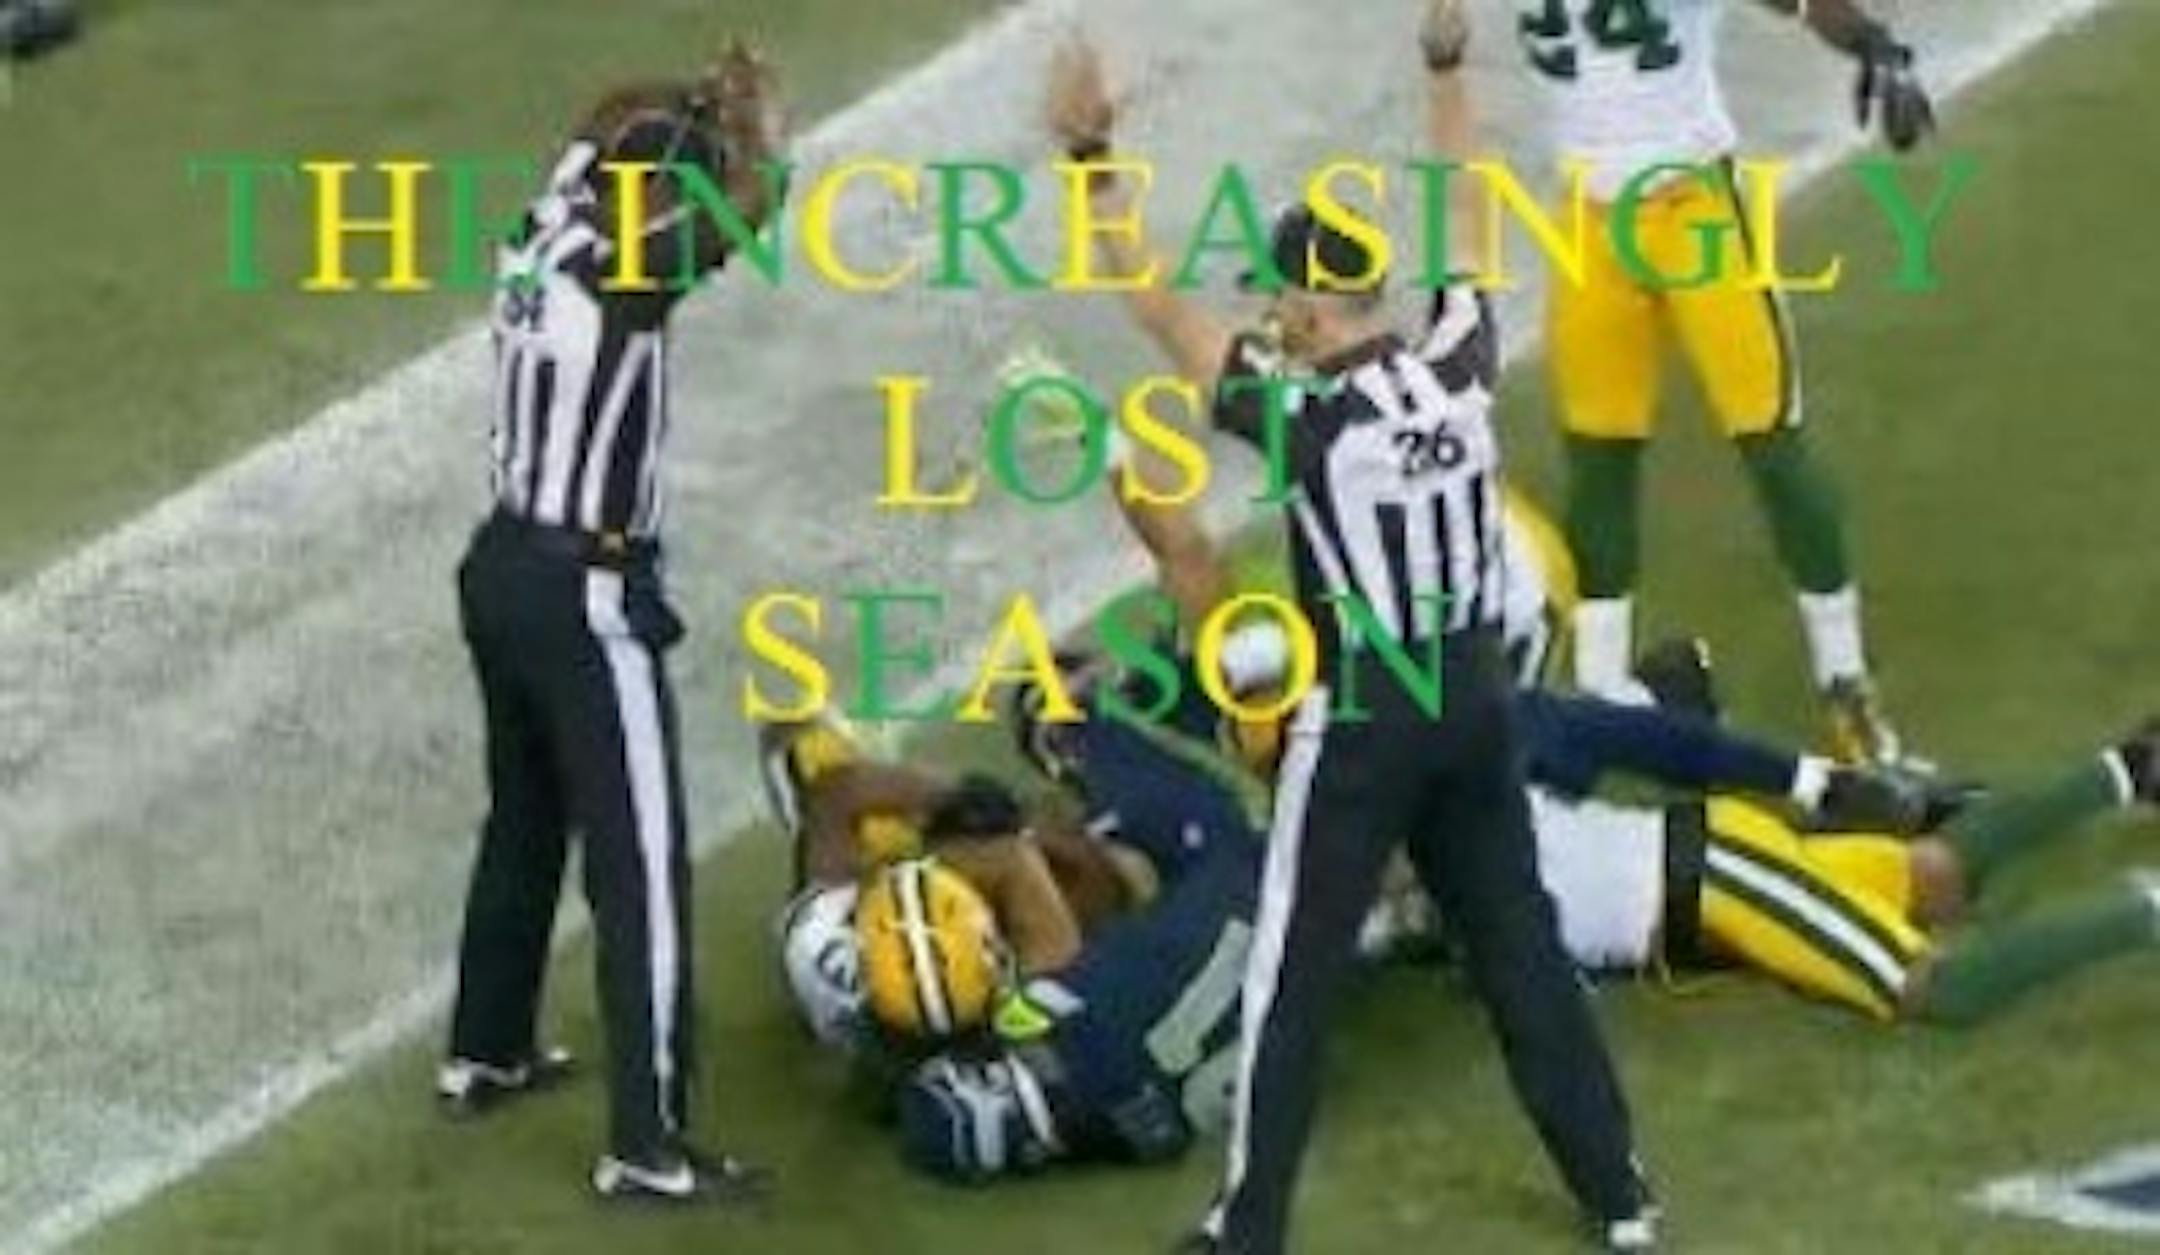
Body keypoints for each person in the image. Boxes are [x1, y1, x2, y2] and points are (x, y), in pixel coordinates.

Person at [1044, 13, 1659, 1251]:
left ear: (1319, 305)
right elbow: (1472, 207)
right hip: (1475, 701)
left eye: (1282, 294)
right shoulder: (1459, 364)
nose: (1271, 312)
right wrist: (1446, 71)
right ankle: (1624, 1201)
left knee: (1293, 972)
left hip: (1370, 717)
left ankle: (1249, 1226)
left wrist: (1091, 160)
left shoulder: (1308, 416)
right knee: (1521, 952)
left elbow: (1151, 301)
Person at [438, 43, 785, 1205]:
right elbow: (741, 217)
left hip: (500, 565)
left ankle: (485, 1048)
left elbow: (602, 128)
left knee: (525, 819)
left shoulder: (544, 225)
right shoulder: (624, 274)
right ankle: (649, 1142)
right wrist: (760, 139)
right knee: (640, 870)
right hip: (584, 594)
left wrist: (689, 105)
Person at [1513, 0, 1934, 764]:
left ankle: (1844, 679)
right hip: (1589, 217)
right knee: (1598, 458)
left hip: (1695, 207)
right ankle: (1602, 693)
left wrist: (1874, 44)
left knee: (1771, 441)